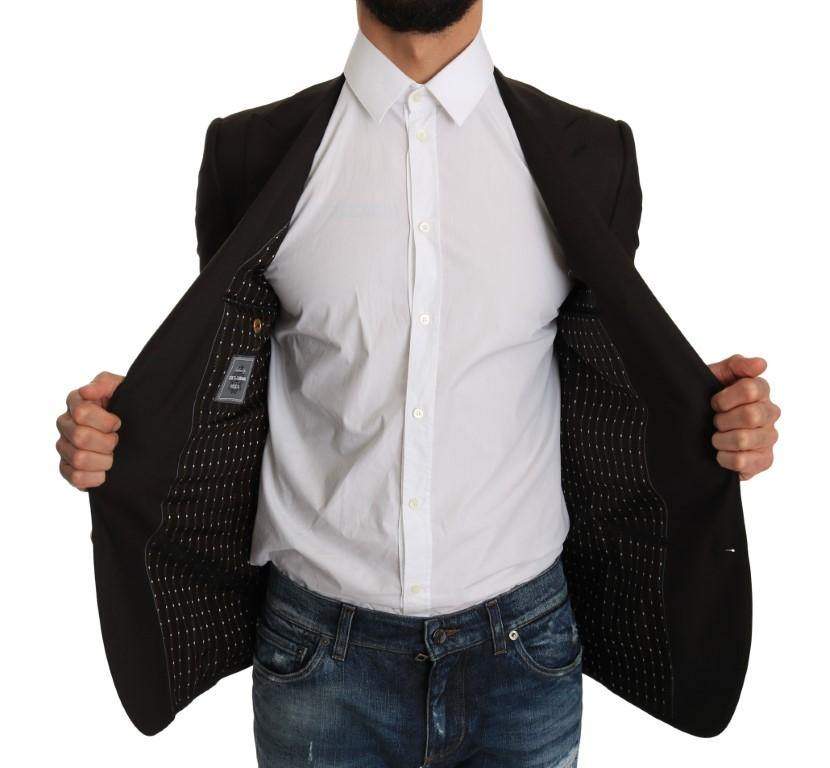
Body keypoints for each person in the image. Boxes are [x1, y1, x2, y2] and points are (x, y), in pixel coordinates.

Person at [55, 2, 780, 766]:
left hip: (525, 656)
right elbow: (221, 378)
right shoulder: (251, 154)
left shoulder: (591, 154)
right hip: (317, 658)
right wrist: (122, 435)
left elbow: (605, 364)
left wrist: (704, 417)